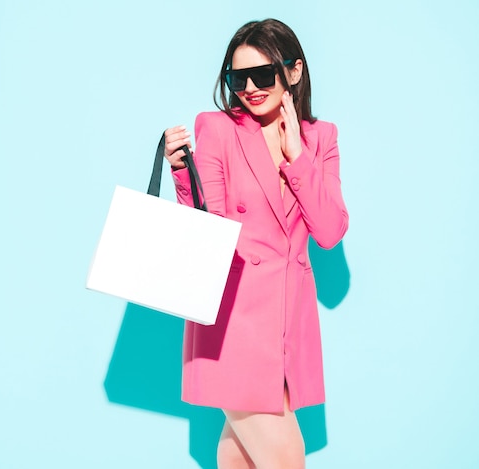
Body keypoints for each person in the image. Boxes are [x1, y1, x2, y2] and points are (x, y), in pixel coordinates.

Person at [164, 19, 348, 469]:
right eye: (237, 77)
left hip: (289, 328)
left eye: (262, 75)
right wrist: (183, 174)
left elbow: (329, 231)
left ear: (295, 71)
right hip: (235, 323)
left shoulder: (320, 138)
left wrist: (297, 158)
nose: (249, 87)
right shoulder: (218, 128)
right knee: (287, 461)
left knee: (238, 459)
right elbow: (209, 227)